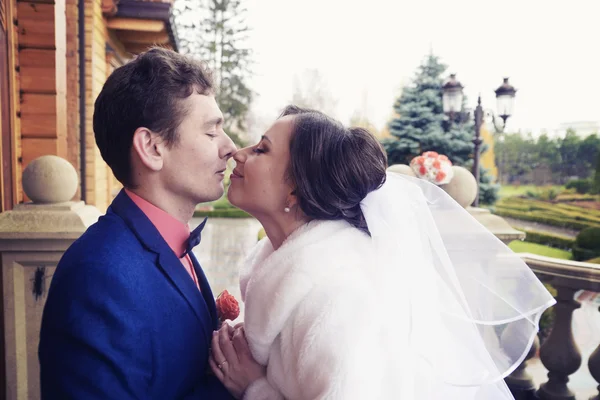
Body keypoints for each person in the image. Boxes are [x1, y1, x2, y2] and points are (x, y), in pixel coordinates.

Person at [208, 105, 556, 399]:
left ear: (296, 190)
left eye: (261, 150)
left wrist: (254, 388)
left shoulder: (340, 298)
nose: (238, 153)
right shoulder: (286, 265)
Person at [38, 47, 236, 399]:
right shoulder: (98, 277)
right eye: (211, 133)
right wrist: (234, 384)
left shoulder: (166, 244)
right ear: (151, 147)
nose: (230, 147)